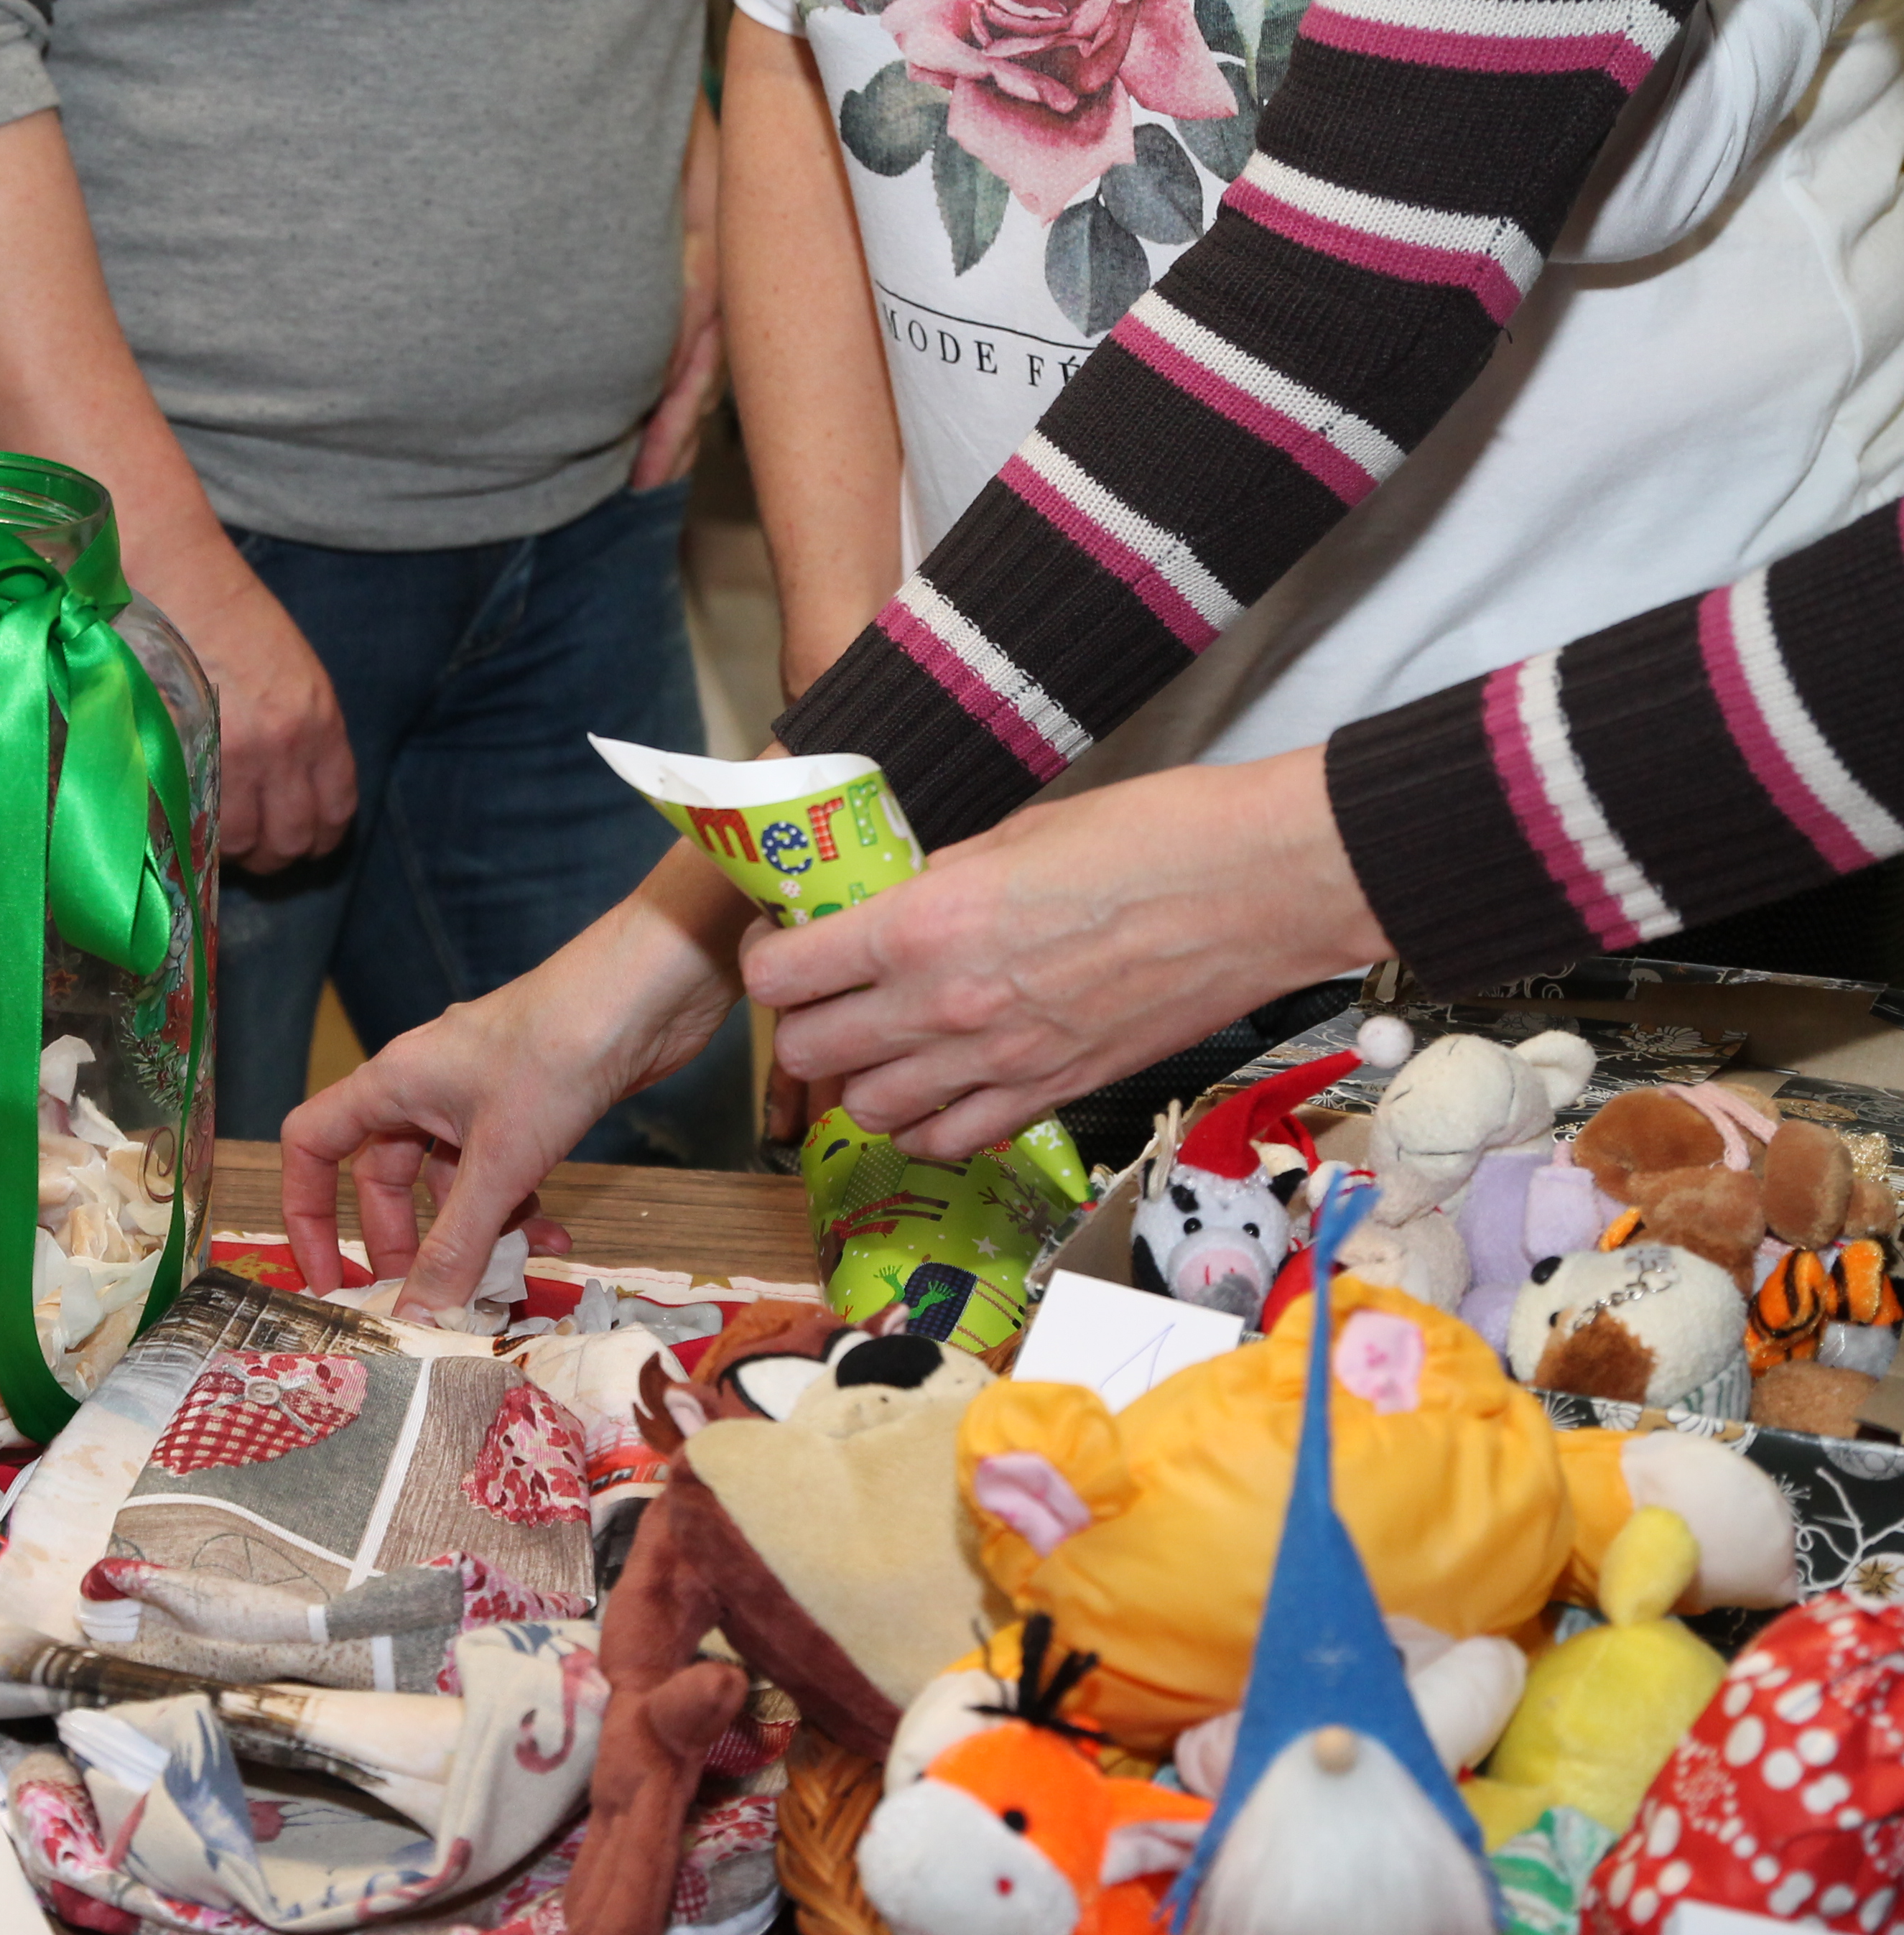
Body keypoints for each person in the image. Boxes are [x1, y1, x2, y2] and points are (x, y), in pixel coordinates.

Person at [282, 0, 1904, 1315]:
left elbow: (1360, 283)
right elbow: (1316, 300)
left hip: (1657, 851)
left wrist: (1237, 885)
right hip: (1097, 837)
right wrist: (685, 935)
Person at [720, 0, 1903, 1151]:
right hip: (1030, 802)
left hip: (1611, 802)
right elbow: (795, 42)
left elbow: (1360, 286)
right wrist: (827, 804)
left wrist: (1247, 886)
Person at [0, 0, 753, 1166]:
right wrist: (157, 575)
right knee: (96, 1211)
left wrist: (697, 168)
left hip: (591, 530)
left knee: (648, 1195)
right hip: (117, 551)